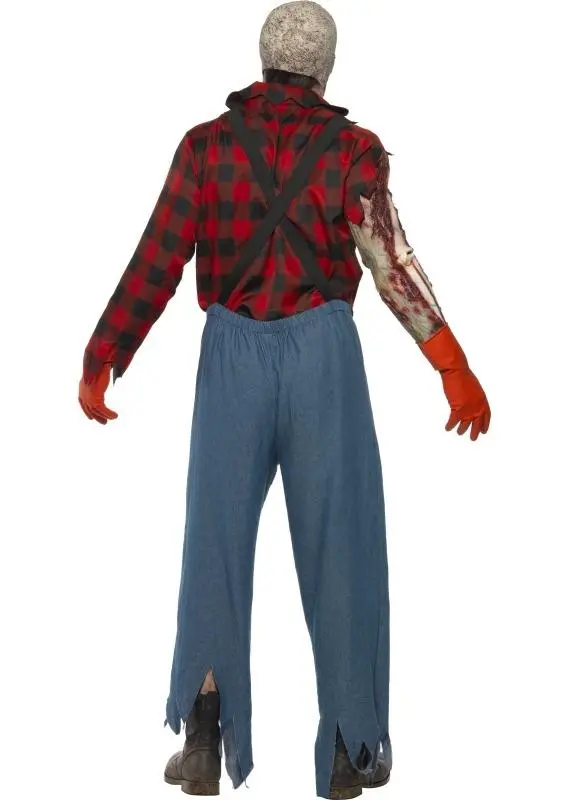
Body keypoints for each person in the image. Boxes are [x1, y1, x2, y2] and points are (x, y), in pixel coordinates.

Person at [78, 2, 491, 797]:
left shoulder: (205, 146)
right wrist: (451, 362)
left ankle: (204, 737)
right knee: (345, 546)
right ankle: (349, 749)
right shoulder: (355, 150)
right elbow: (390, 263)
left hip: (231, 352)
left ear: (262, 56)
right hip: (323, 357)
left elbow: (158, 256)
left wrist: (106, 353)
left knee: (214, 545)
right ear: (325, 68)